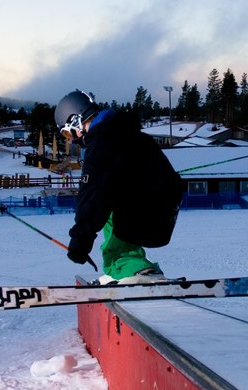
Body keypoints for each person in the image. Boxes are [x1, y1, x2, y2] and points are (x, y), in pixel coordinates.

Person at [55, 89, 184, 283]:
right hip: (164, 208)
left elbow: (92, 196)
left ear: (76, 121)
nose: (72, 138)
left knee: (111, 227)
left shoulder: (101, 141)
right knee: (117, 209)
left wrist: (80, 240)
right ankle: (135, 268)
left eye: (67, 132)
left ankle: (132, 269)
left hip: (143, 207)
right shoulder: (128, 133)